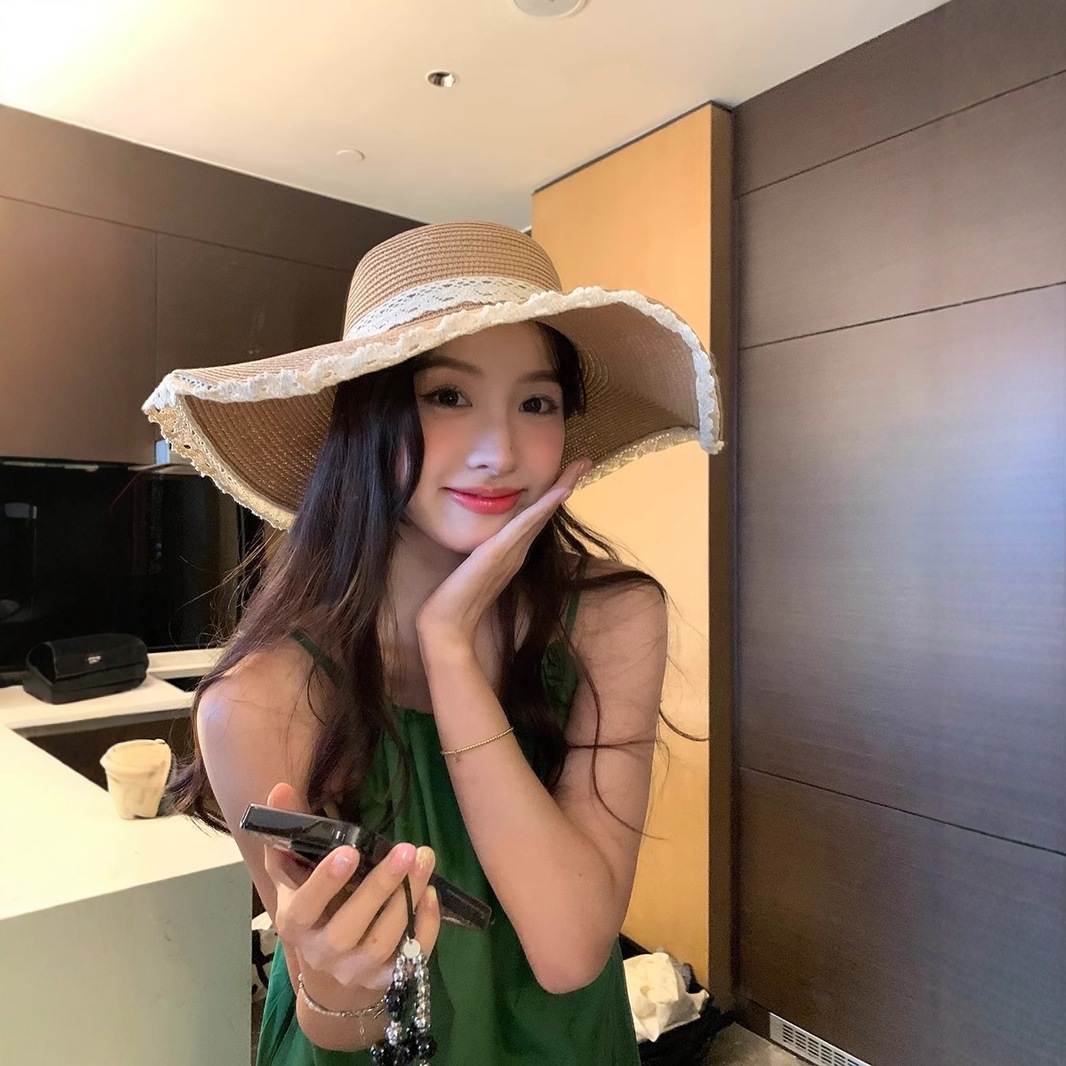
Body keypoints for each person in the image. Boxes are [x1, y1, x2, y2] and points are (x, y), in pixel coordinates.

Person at [144, 220, 723, 1065]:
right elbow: (329, 1022)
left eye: (537, 403)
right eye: (447, 396)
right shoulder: (261, 700)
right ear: (365, 420)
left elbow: (569, 951)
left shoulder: (611, 618)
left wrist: (448, 646)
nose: (500, 451)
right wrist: (341, 983)